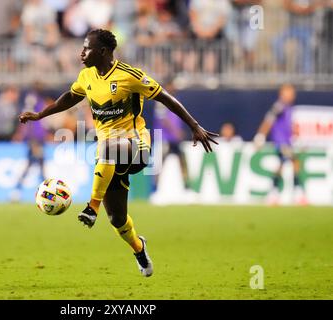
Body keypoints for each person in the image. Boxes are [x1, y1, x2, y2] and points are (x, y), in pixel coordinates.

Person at [19, 29, 218, 277]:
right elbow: (70, 97)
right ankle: (139, 248)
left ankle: (92, 207)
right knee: (117, 220)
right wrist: (40, 115)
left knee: (108, 146)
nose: (81, 52)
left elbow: (165, 98)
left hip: (137, 147)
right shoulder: (86, 76)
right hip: (109, 157)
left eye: (86, 48)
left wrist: (195, 126)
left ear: (102, 51)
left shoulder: (129, 76)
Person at [253, 84, 307, 205]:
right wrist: (260, 136)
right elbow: (269, 120)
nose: (293, 95)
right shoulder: (279, 106)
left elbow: (288, 126)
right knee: (293, 164)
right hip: (280, 142)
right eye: (290, 93)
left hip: (287, 142)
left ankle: (275, 194)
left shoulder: (288, 108)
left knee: (285, 165)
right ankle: (295, 194)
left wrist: (296, 136)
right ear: (283, 94)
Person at [10, 85, 48, 202]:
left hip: (38, 138)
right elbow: (28, 117)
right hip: (35, 139)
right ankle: (18, 190)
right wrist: (32, 139)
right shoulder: (33, 99)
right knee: (37, 164)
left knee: (35, 164)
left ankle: (18, 190)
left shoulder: (37, 100)